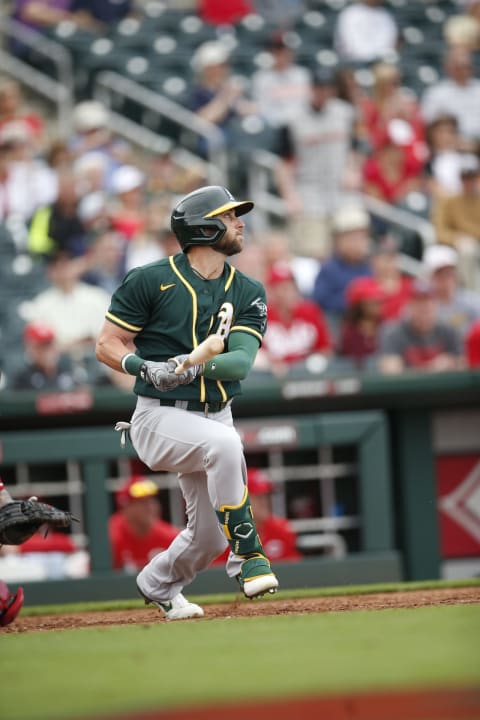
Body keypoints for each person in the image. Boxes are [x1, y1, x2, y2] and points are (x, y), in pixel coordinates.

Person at [96, 184, 279, 621]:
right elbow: (107, 344)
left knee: (209, 539)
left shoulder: (248, 289)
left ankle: (158, 581)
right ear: (203, 227)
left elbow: (238, 363)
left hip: (217, 412)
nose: (240, 223)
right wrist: (142, 366)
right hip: (159, 416)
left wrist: (192, 366)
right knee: (225, 446)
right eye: (229, 216)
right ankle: (249, 555)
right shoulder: (149, 279)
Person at [274, 68, 357, 259]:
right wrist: (290, 195)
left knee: (349, 251)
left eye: (327, 88)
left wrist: (353, 171)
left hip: (341, 191)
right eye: (319, 88)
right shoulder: (293, 119)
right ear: (311, 89)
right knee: (314, 253)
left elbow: (355, 148)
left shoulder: (345, 113)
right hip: (308, 193)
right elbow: (284, 163)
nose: (323, 92)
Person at [255, 261, 331, 377]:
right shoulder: (260, 316)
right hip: (273, 378)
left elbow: (325, 348)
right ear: (271, 291)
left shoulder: (311, 311)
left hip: (308, 375)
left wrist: (315, 361)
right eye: (282, 288)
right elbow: (254, 353)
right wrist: (271, 364)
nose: (289, 292)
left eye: (292, 286)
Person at [213, 468, 302, 565]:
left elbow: (295, 570)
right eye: (259, 497)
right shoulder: (224, 536)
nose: (266, 502)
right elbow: (217, 575)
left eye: (267, 496)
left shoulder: (281, 529)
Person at [378, 279, 465, 374]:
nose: (424, 307)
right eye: (418, 302)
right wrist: (431, 368)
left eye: (428, 302)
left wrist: (450, 362)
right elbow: (391, 371)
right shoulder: (394, 333)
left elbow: (464, 364)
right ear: (409, 306)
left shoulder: (449, 331)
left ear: (436, 305)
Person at [312, 204, 373, 322]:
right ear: (339, 241)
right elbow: (320, 300)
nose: (357, 243)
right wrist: (353, 301)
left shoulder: (369, 267)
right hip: (338, 322)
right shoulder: (329, 269)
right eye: (351, 238)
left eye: (361, 238)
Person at [109, 475, 179, 573]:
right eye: (142, 502)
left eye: (152, 500)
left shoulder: (169, 537)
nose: (150, 507)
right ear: (126, 507)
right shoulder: (111, 536)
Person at [431, 153, 480, 290]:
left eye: (472, 178)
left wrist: (471, 236)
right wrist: (457, 238)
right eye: (465, 178)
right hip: (457, 246)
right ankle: (470, 293)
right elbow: (439, 231)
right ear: (460, 179)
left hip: (476, 242)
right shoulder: (449, 201)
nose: (469, 182)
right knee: (467, 250)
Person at [420, 47, 480, 147]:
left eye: (466, 66)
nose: (463, 70)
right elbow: (430, 125)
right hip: (452, 147)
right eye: (459, 66)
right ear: (448, 67)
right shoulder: (436, 93)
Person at [251, 32, 310, 130]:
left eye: (284, 50)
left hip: (302, 127)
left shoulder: (302, 75)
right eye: (276, 51)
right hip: (273, 127)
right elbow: (260, 107)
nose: (280, 55)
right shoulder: (261, 78)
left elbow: (308, 104)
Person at [10, 321, 88, 391]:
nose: (48, 351)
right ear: (30, 348)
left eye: (50, 345)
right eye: (42, 346)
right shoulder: (23, 379)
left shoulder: (68, 373)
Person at [422, 243, 480, 337]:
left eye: (449, 273)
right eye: (440, 274)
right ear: (430, 277)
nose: (446, 279)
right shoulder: (421, 305)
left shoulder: (472, 300)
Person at [337, 276, 384, 369]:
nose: (377, 305)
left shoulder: (386, 327)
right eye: (372, 302)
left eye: (379, 301)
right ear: (359, 305)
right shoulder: (349, 333)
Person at [333, 0, 398, 64]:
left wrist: (379, 56)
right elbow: (350, 39)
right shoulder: (350, 13)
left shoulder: (385, 14)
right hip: (353, 59)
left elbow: (388, 38)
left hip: (379, 59)